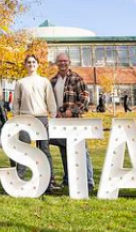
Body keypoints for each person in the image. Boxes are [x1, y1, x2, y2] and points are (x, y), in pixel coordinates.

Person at [50, 53, 95, 193]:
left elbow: (85, 97)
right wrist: (54, 112)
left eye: (65, 61)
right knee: (64, 150)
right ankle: (68, 179)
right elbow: (50, 101)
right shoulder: (52, 81)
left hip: (75, 121)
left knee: (82, 151)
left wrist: (73, 110)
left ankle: (88, 181)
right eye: (60, 61)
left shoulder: (76, 78)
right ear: (56, 63)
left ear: (69, 62)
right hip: (59, 121)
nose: (62, 63)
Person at [11, 54, 58, 186]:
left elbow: (50, 100)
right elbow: (16, 103)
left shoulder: (44, 81)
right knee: (23, 149)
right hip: (25, 118)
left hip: (42, 118)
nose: (31, 64)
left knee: (44, 149)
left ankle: (50, 180)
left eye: (33, 62)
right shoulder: (20, 82)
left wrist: (53, 116)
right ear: (25, 65)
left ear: (37, 64)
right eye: (29, 62)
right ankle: (19, 178)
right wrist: (15, 120)